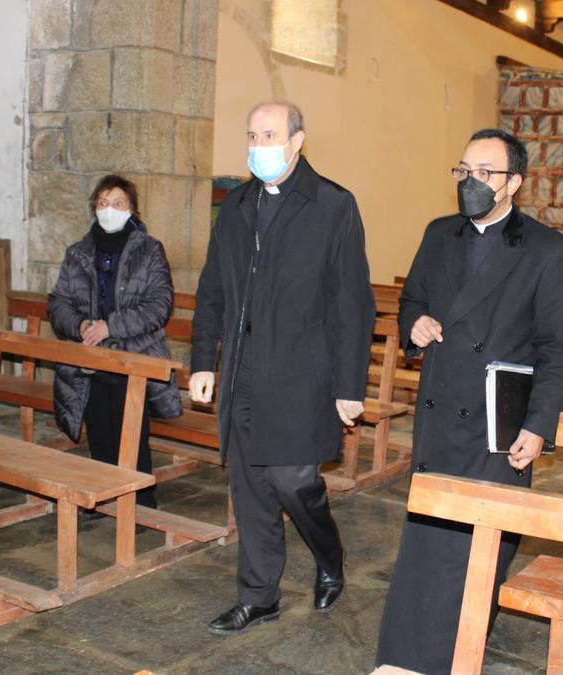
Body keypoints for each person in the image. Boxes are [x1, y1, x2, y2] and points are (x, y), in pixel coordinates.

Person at [376, 128, 563, 674]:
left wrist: (539, 425)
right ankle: (403, 660)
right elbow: (413, 298)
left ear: (513, 183)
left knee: (479, 548)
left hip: (498, 422)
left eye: (484, 172)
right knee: (428, 541)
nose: (472, 181)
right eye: (464, 170)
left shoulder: (548, 250)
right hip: (441, 411)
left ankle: (450, 655)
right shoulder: (439, 234)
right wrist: (413, 324)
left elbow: (558, 350)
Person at [191, 102, 374, 634]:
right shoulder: (237, 204)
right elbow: (212, 290)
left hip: (302, 373)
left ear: (296, 140)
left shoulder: (332, 205)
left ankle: (330, 557)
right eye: (252, 134)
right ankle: (259, 595)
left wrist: (348, 384)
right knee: (249, 487)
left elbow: (351, 304)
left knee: (293, 481)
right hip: (243, 371)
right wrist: (205, 360)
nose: (258, 144)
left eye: (269, 134)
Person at [48, 174, 181, 511]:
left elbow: (159, 304)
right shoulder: (78, 253)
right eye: (103, 203)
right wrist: (80, 326)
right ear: (95, 208)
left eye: (118, 203)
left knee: (131, 432)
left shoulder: (149, 250)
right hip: (90, 355)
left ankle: (140, 502)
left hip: (135, 354)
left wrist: (111, 326)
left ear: (132, 209)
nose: (110, 209)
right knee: (100, 430)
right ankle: (105, 500)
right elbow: (58, 302)